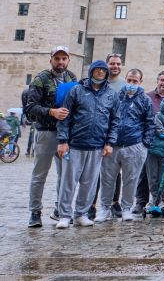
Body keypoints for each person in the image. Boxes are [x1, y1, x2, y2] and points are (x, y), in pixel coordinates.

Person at [55, 60, 119, 229]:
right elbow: (65, 118)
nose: (100, 73)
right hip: (75, 144)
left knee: (89, 183)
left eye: (103, 71)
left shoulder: (111, 95)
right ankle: (64, 215)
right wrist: (63, 141)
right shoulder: (77, 91)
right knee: (68, 181)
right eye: (97, 70)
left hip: (97, 145)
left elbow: (114, 121)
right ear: (91, 72)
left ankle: (81, 214)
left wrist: (110, 143)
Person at [25, 46, 77, 228]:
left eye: (64, 58)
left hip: (65, 135)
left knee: (65, 175)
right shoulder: (41, 79)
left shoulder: (72, 77)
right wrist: (51, 112)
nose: (60, 62)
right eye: (57, 59)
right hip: (46, 131)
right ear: (51, 60)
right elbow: (30, 107)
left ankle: (60, 209)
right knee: (40, 174)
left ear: (68, 60)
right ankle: (35, 211)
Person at [97, 68, 154, 222]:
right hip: (113, 144)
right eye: (129, 80)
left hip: (134, 144)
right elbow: (106, 117)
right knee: (107, 178)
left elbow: (150, 123)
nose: (131, 84)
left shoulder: (145, 100)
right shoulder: (115, 96)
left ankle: (127, 208)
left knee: (131, 179)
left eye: (135, 81)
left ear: (140, 82)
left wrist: (145, 144)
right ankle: (104, 208)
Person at [134, 70, 164, 215]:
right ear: (157, 81)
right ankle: (140, 202)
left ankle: (159, 200)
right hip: (148, 141)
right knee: (144, 174)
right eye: (161, 80)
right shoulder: (148, 97)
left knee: (161, 174)